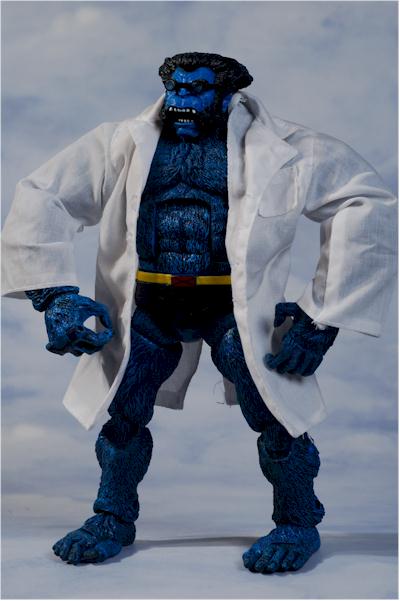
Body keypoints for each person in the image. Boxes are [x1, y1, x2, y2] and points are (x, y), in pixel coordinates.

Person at [2, 52, 396, 572]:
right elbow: (42, 195)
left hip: (231, 306)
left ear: (229, 94)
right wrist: (53, 295)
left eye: (196, 89)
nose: (180, 100)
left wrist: (321, 318)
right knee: (123, 414)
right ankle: (112, 517)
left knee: (276, 414)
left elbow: (365, 202)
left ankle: (297, 521)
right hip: (149, 303)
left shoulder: (285, 148)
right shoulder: (121, 142)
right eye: (175, 88)